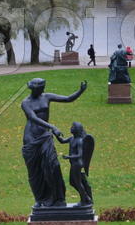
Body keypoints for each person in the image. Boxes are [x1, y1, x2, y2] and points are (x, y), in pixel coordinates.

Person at [20, 78, 87, 208]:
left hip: (45, 136)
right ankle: (40, 199)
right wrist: (52, 127)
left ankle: (57, 198)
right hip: (31, 138)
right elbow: (33, 118)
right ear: (35, 88)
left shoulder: (47, 96)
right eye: (41, 88)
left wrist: (80, 91)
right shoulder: (25, 103)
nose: (44, 90)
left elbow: (67, 99)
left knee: (52, 165)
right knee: (35, 171)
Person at [57, 122, 95, 206]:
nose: (71, 128)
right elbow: (62, 141)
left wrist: (69, 157)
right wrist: (55, 133)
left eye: (73, 127)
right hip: (73, 164)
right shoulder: (71, 138)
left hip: (77, 164)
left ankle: (84, 200)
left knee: (78, 183)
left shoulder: (79, 141)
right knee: (72, 182)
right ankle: (86, 197)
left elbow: (80, 155)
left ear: (77, 130)